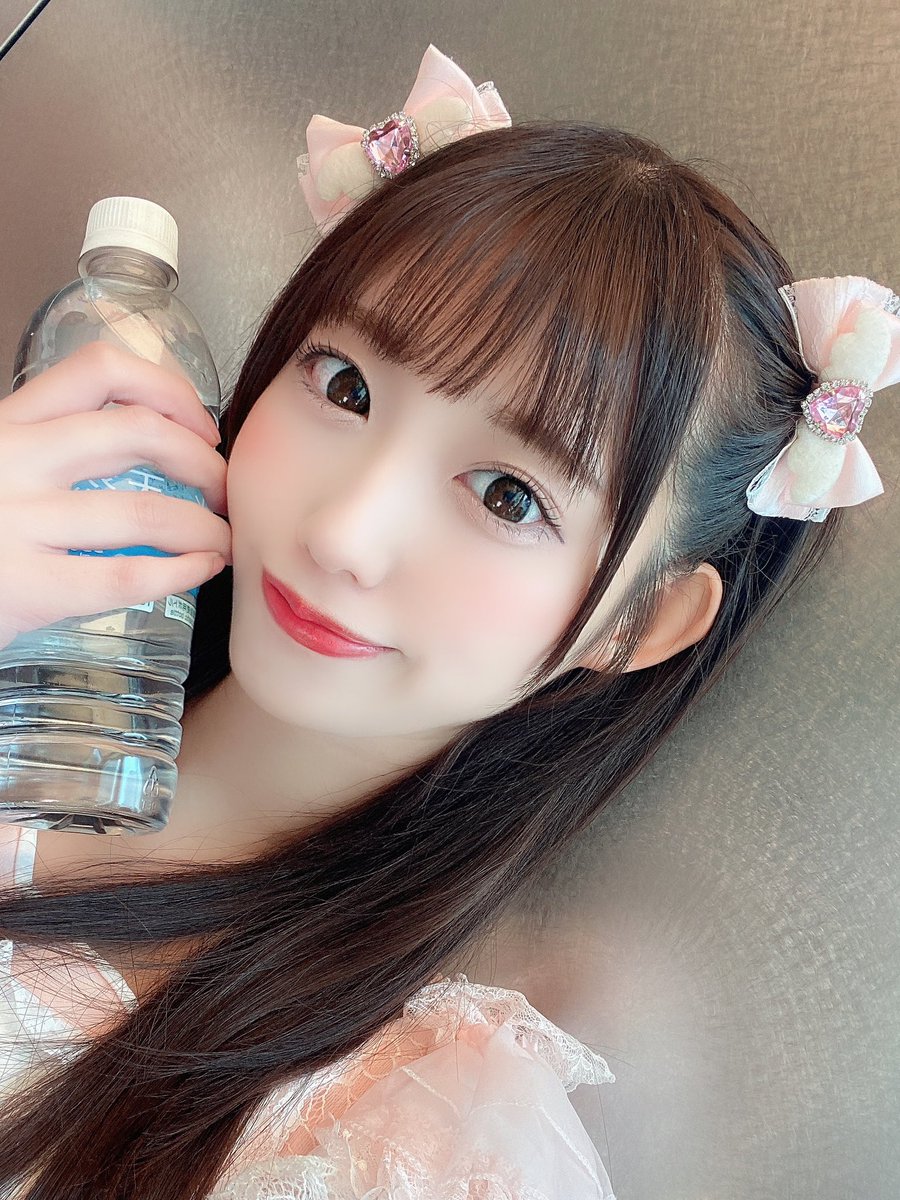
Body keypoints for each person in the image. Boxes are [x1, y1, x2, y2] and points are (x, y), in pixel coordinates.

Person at [0, 42, 896, 1200]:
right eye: (345, 385)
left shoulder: (419, 1135)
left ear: (639, 623)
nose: (344, 532)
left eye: (509, 496)